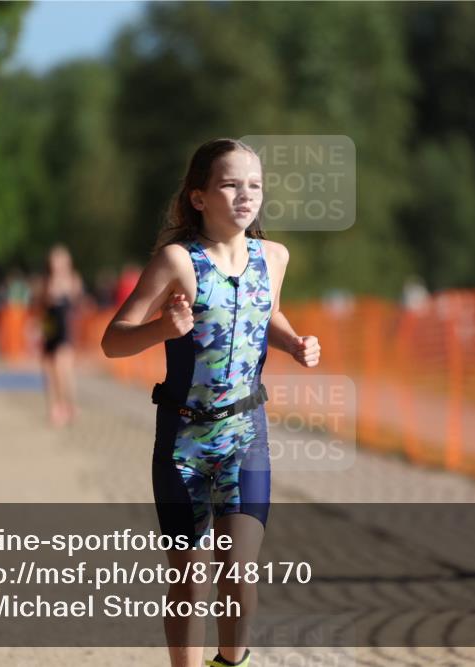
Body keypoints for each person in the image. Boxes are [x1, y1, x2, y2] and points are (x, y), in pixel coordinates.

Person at [102, 138, 320, 667]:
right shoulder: (177, 261)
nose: (246, 195)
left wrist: (292, 342)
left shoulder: (275, 257)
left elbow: (264, 309)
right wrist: (161, 328)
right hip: (183, 442)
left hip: (246, 434)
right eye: (230, 184)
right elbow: (114, 339)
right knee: (189, 579)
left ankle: (233, 662)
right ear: (198, 197)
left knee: (239, 571)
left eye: (255, 185)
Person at [40, 245, 83, 427]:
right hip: (50, 329)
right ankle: (56, 406)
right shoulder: (47, 281)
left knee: (63, 369)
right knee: (49, 370)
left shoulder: (73, 280)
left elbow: (77, 304)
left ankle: (70, 405)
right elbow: (42, 304)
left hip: (65, 331)